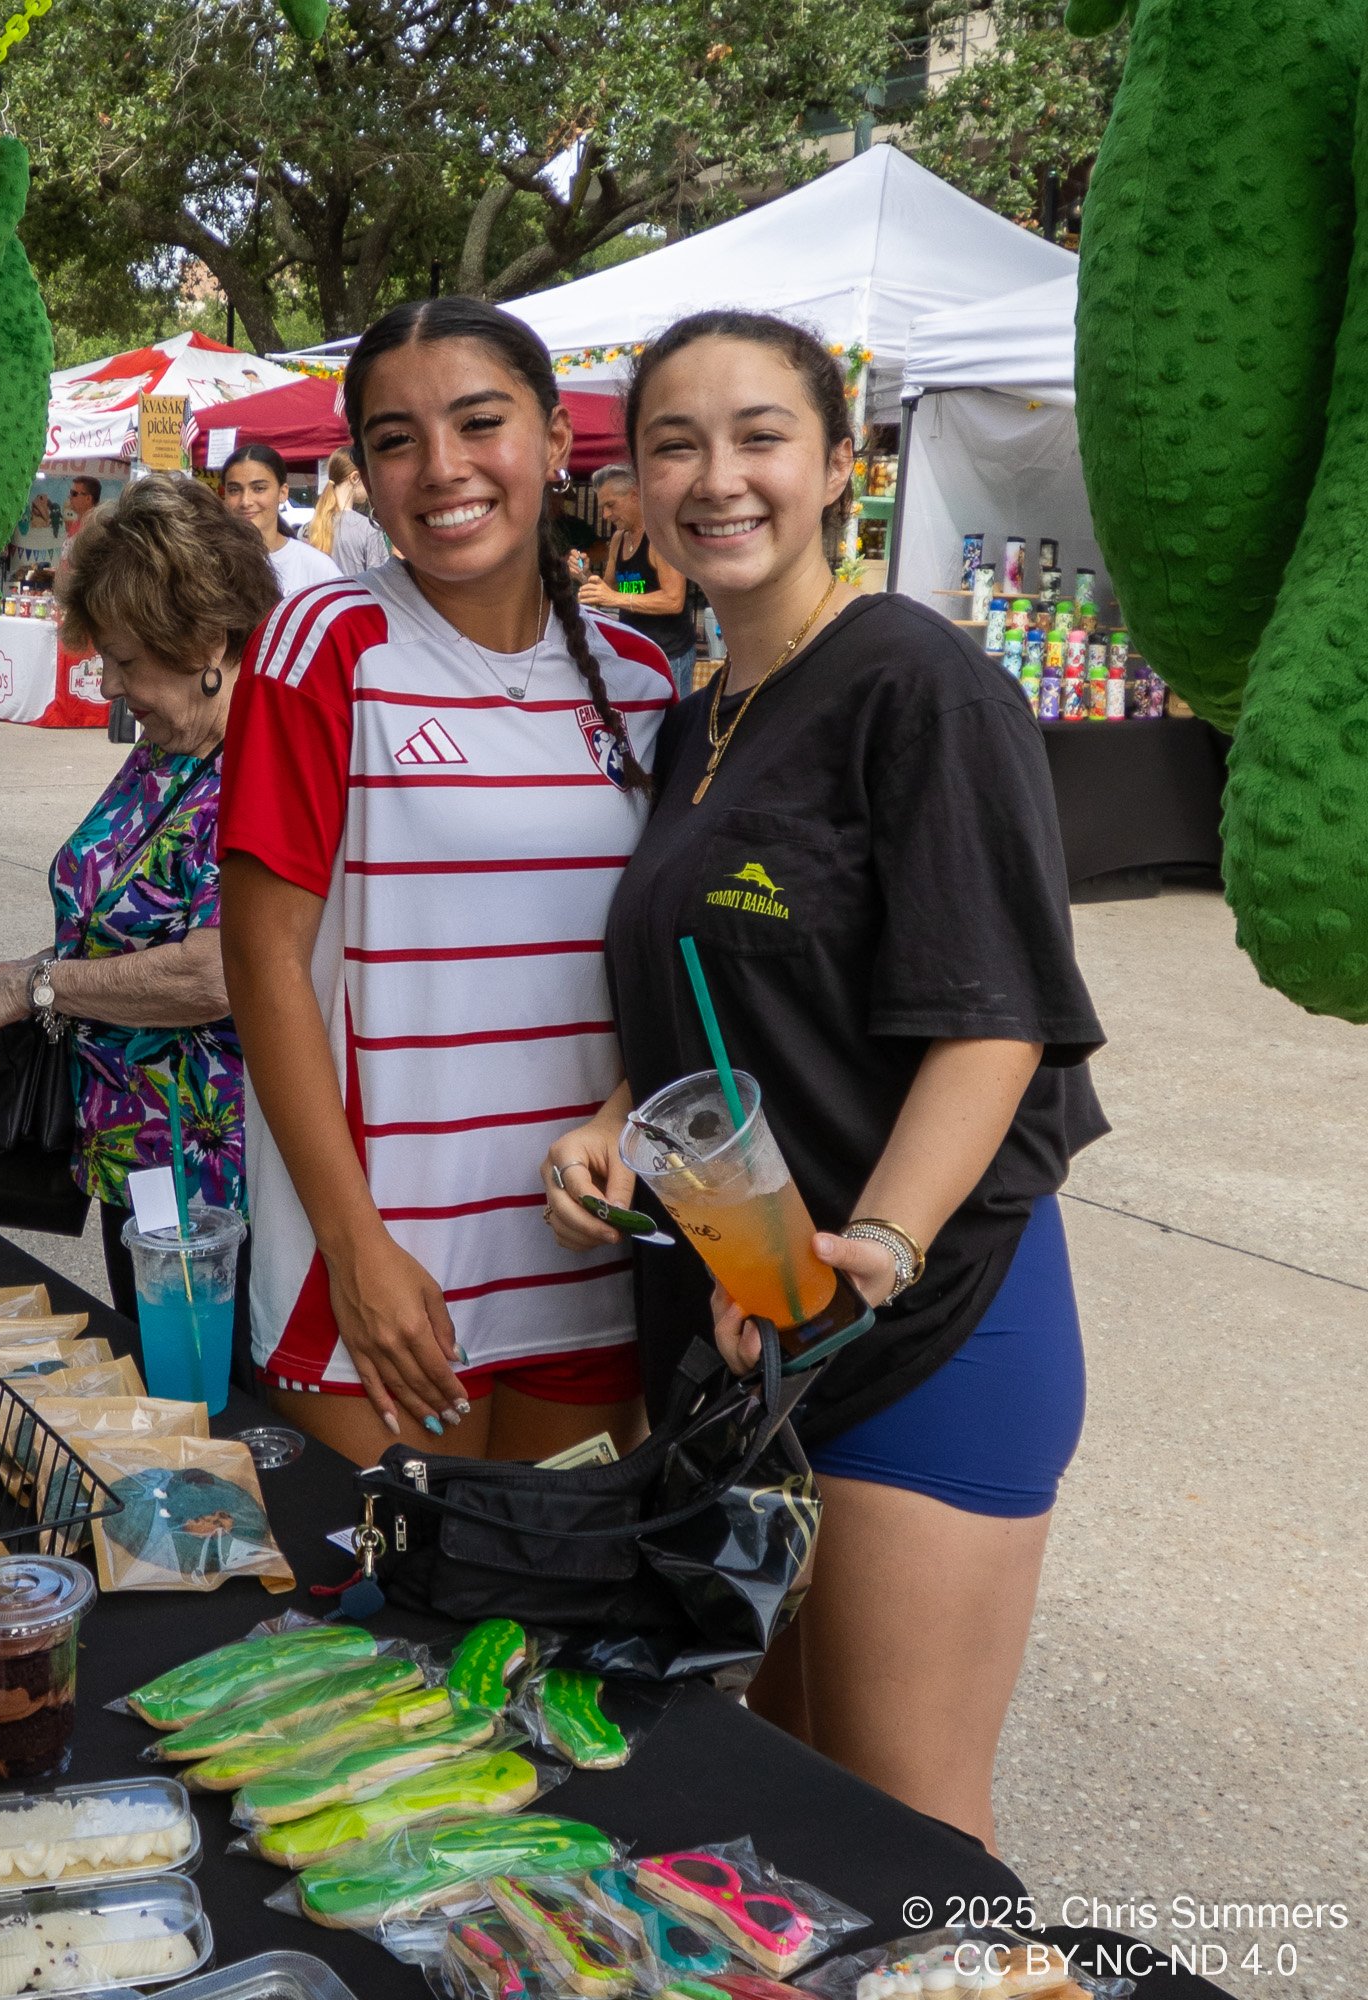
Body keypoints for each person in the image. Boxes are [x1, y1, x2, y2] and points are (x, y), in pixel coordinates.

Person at [543, 310, 1106, 1852]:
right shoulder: (697, 714)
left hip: (923, 1317)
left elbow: (994, 1022)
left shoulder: (920, 687)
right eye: (675, 444)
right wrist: (611, 1123)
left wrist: (886, 1256)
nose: (718, 478)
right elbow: (704, 983)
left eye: (760, 435)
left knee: (903, 1822)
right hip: (758, 1319)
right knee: (779, 1796)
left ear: (841, 467)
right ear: (633, 488)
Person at [217, 296, 674, 1466]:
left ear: (556, 442)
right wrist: (353, 1242)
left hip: (588, 1262)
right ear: (362, 466)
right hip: (386, 1274)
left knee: (546, 1634)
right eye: (395, 438)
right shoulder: (325, 645)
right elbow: (261, 962)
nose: (441, 468)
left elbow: (663, 968)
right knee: (401, 1636)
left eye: (479, 422)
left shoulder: (640, 680)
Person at [0, 475, 279, 1382]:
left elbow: (219, 973)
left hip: (217, 1177)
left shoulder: (258, 757)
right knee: (159, 1379)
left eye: (129, 662)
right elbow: (118, 919)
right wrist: (22, 972)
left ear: (207, 639)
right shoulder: (172, 745)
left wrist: (37, 985)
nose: (114, 685)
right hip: (134, 1151)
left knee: (207, 1401)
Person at [578, 463, 697, 695]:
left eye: (611, 505)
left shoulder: (660, 536)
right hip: (633, 653)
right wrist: (584, 575)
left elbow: (673, 600)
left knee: (671, 728)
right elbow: (607, 591)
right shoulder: (618, 540)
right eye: (602, 507)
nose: (605, 515)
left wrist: (614, 598)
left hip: (668, 655)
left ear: (634, 495)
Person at [223, 442, 340, 595]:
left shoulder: (317, 567)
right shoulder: (208, 565)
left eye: (259, 488)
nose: (246, 501)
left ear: (283, 492)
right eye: (234, 490)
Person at [304, 449, 389, 573]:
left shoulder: (306, 529)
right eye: (368, 478)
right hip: (356, 592)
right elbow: (380, 582)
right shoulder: (368, 529)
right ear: (355, 477)